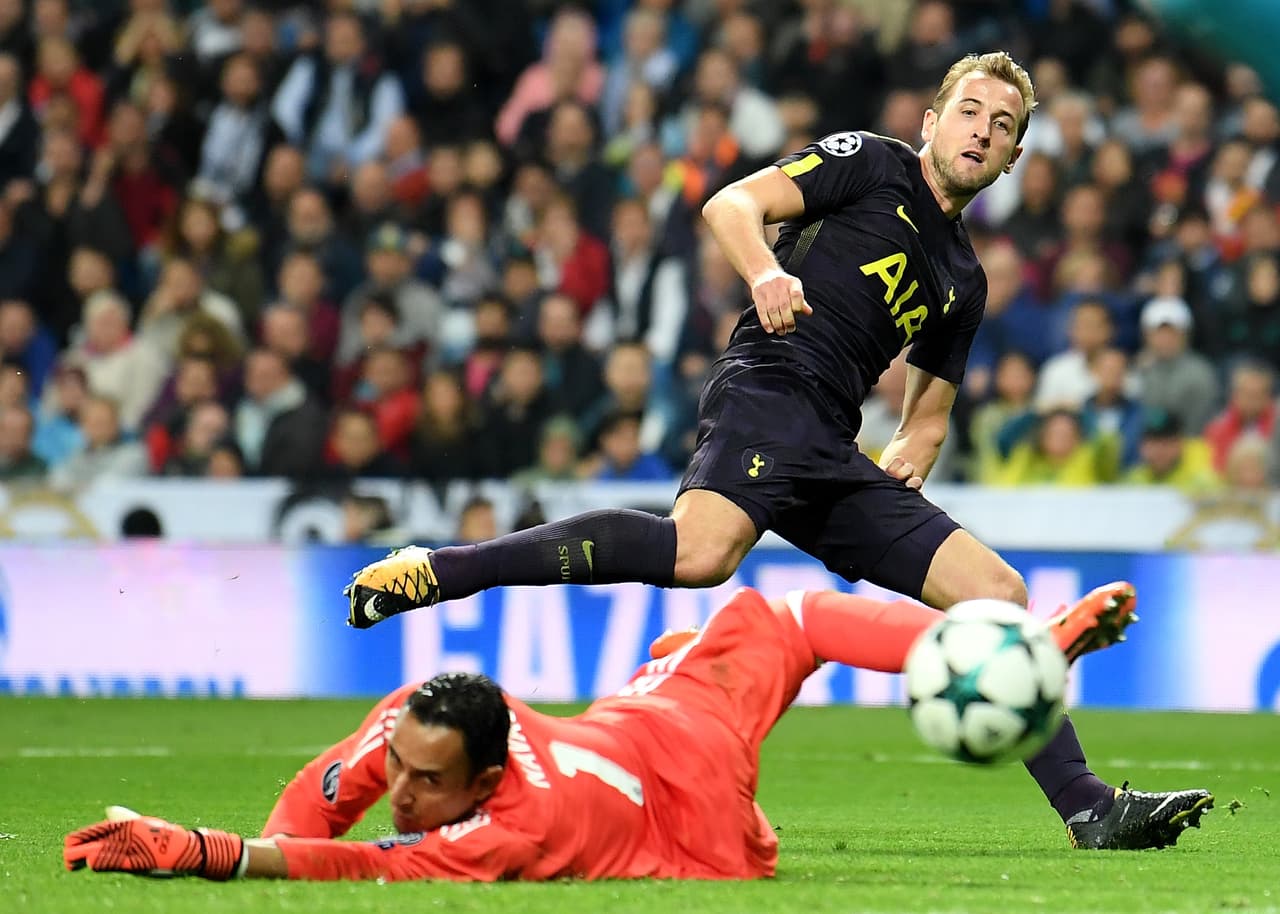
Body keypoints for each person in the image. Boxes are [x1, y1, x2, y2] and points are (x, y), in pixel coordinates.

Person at [344, 52, 1207, 846]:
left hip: (831, 440)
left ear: (1014, 158)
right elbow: (731, 205)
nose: (982, 131)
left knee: (999, 594)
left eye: (1003, 125)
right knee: (700, 553)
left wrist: (911, 449)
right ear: (933, 121)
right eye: (970, 112)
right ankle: (443, 570)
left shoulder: (964, 279)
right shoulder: (872, 163)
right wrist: (764, 271)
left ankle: (1089, 809)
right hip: (770, 384)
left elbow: (931, 412)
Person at [63, 583, 1212, 882]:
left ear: (486, 774)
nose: (402, 793)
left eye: (424, 784)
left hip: (700, 793)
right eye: (403, 770)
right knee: (772, 614)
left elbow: (360, 862)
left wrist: (210, 854)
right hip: (653, 709)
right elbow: (326, 803)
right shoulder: (438, 717)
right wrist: (268, 850)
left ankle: (1014, 648)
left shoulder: (518, 827)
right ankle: (1014, 648)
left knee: (777, 615)